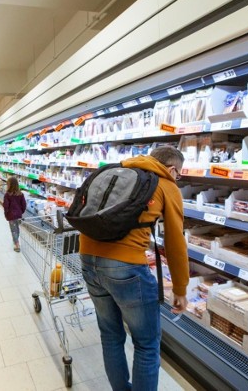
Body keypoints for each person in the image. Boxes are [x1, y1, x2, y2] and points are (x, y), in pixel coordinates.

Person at [79, 145, 189, 391]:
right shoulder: (166, 185)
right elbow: (175, 242)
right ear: (172, 169)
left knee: (110, 335)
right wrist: (180, 287)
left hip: (87, 257)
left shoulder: (119, 170)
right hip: (125, 269)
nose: (178, 179)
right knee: (147, 345)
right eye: (179, 174)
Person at [2, 177, 26, 252]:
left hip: (11, 216)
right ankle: (16, 241)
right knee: (17, 229)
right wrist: (21, 211)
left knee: (13, 230)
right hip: (19, 215)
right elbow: (24, 205)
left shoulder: (7, 195)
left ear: (9, 185)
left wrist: (6, 214)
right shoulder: (21, 194)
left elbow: (6, 206)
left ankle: (17, 244)